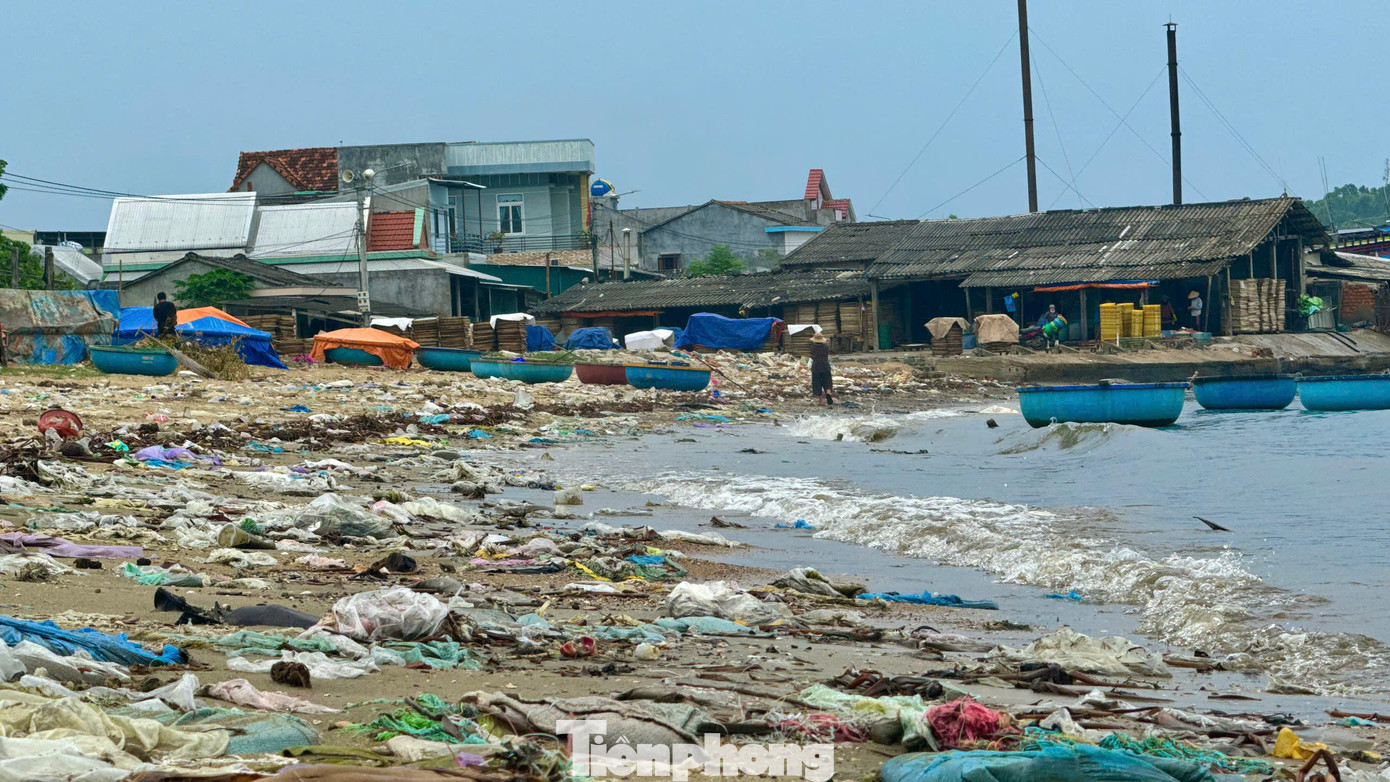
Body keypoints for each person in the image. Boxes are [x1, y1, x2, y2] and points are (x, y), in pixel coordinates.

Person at [809, 334, 833, 406]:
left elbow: (812, 356)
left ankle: (821, 401)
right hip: (825, 366)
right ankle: (828, 396)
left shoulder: (813, 347)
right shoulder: (826, 347)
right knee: (827, 382)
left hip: (816, 367)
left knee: (817, 383)